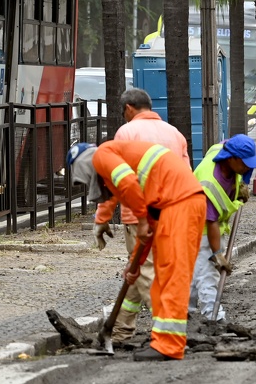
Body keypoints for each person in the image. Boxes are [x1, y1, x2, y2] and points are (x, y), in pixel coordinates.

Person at [67, 140, 206, 362]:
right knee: (162, 279)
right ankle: (163, 342)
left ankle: (169, 345)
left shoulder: (102, 155)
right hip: (173, 207)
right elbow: (147, 230)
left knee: (172, 276)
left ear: (83, 166)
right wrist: (135, 265)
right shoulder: (143, 182)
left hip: (179, 205)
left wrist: (140, 220)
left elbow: (126, 182)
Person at [92, 88, 189, 345]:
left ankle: (169, 332)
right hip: (171, 213)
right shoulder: (175, 133)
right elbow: (185, 173)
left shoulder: (126, 133)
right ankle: (122, 330)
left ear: (128, 109)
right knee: (135, 270)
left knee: (145, 271)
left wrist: (102, 217)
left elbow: (117, 180)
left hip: (139, 216)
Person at [189, 134, 256, 321]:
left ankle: (182, 313)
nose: (249, 167)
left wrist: (242, 186)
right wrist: (218, 254)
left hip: (199, 226)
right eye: (245, 163)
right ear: (232, 158)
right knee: (208, 274)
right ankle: (214, 317)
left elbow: (225, 144)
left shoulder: (222, 150)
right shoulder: (209, 184)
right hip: (200, 229)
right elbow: (211, 222)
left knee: (192, 273)